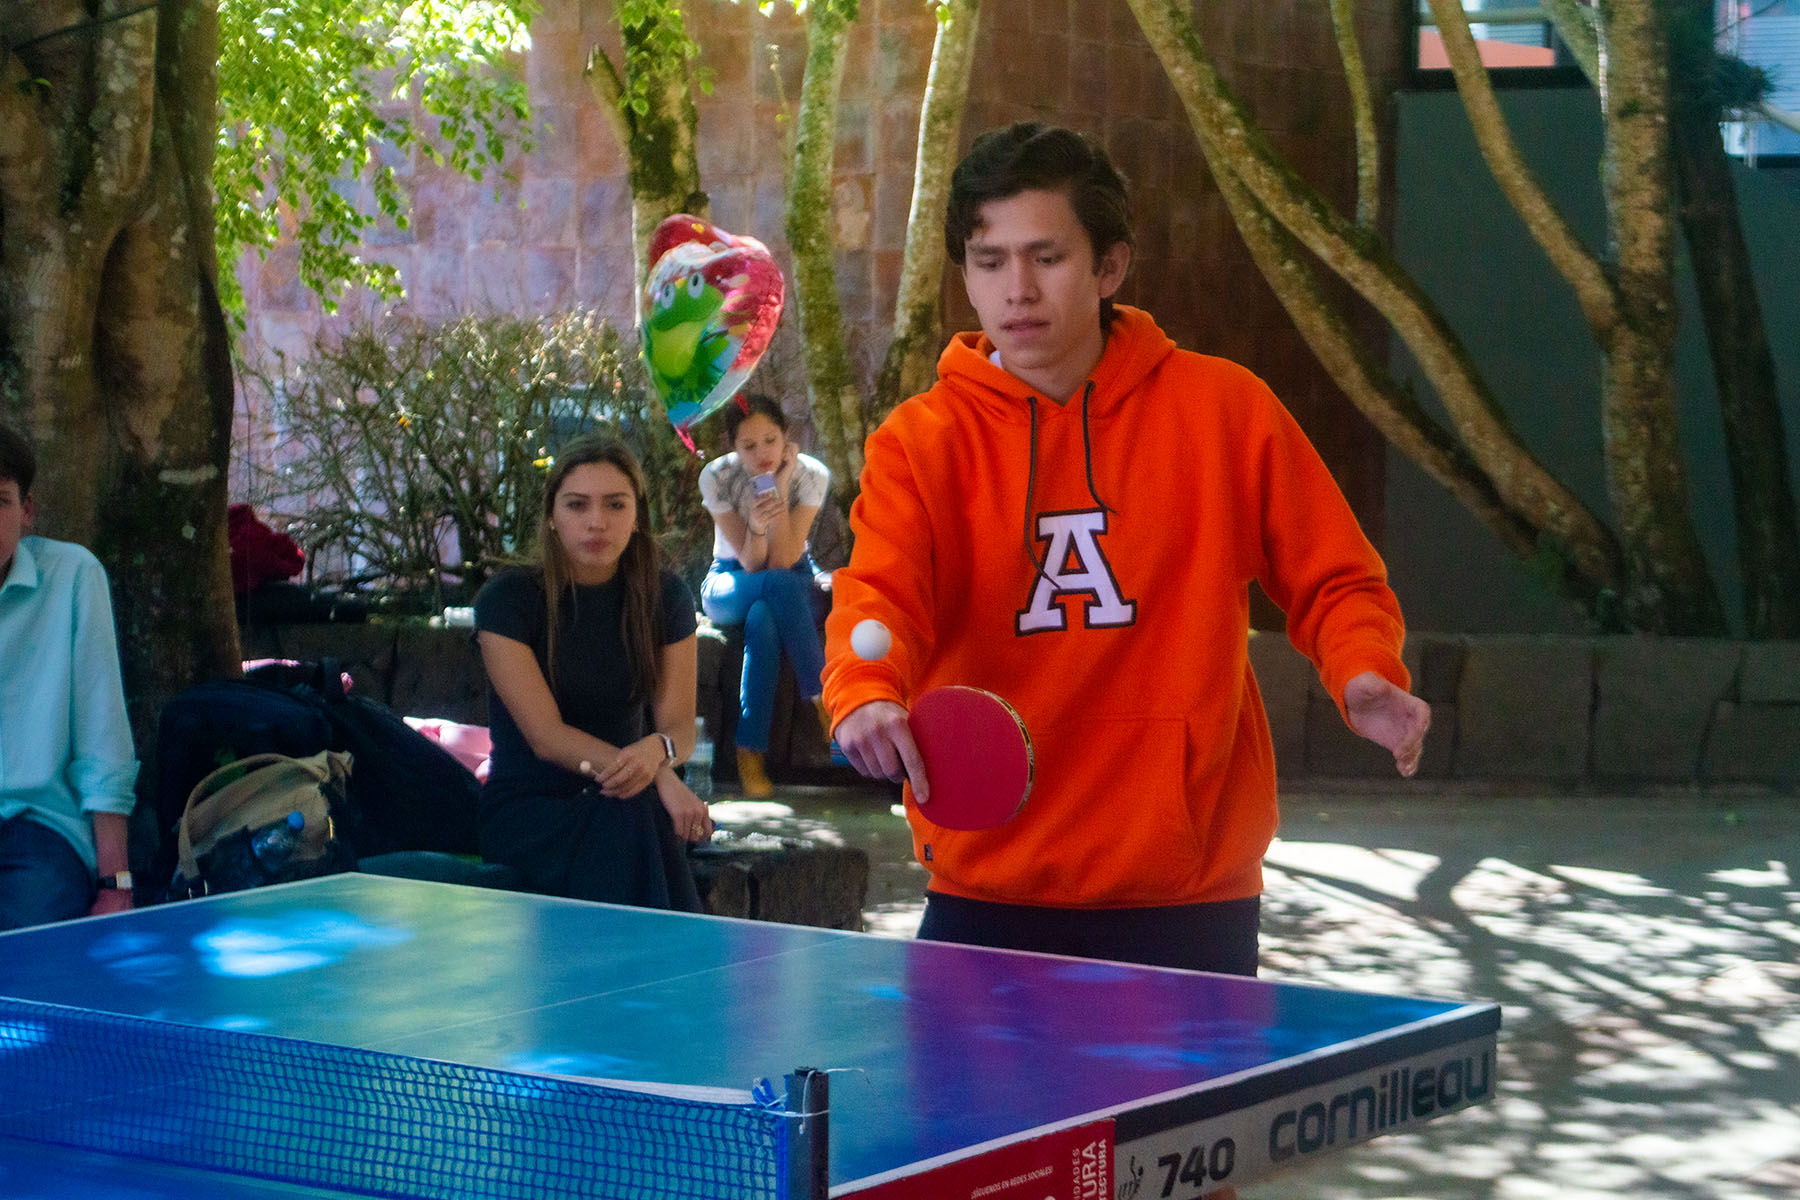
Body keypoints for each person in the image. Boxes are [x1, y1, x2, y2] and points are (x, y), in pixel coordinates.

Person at [822, 123, 1431, 977]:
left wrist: (1363, 667)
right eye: (989, 261)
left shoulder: (1226, 410)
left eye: (1047, 256)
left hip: (1190, 897)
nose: (1017, 289)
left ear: (1110, 268)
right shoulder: (918, 443)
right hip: (985, 884)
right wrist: (863, 693)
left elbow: (1334, 574)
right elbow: (876, 597)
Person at [472, 435, 712, 910]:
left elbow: (679, 728)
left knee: (630, 814)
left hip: (629, 799)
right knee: (633, 813)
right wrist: (660, 775)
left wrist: (659, 753)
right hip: (535, 810)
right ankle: (673, 970)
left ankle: (649, 972)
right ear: (551, 516)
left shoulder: (666, 596)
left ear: (636, 515)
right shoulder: (508, 601)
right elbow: (547, 737)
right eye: (577, 505)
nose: (596, 521)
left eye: (615, 505)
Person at [0, 422, 139, 929]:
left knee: (21, 950)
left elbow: (105, 745)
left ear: (27, 511)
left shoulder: (73, 577)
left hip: (39, 833)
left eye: (0, 501)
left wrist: (115, 883)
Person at [698, 393, 832, 797]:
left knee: (764, 620)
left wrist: (782, 485)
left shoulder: (811, 475)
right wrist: (755, 524)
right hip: (729, 581)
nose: (762, 454)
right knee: (777, 588)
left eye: (771, 441)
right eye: (748, 445)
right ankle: (825, 700)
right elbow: (756, 566)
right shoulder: (718, 477)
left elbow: (786, 559)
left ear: (787, 437)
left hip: (788, 574)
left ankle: (749, 753)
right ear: (733, 446)